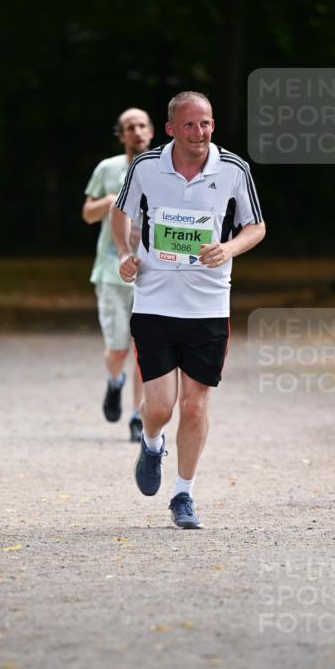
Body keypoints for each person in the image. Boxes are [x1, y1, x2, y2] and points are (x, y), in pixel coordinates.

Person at [110, 91, 266, 528]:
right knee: (159, 407)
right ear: (171, 129)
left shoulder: (233, 169)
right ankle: (153, 442)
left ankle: (183, 495)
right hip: (155, 300)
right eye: (191, 125)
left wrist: (229, 247)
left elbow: (257, 225)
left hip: (209, 304)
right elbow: (120, 212)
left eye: (206, 124)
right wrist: (125, 252)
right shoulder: (146, 167)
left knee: (195, 407)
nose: (200, 133)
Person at [82, 108, 154, 442]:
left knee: (145, 350)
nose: (137, 132)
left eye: (142, 125)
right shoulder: (108, 169)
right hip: (111, 273)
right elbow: (87, 213)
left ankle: (137, 417)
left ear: (152, 131)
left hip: (152, 274)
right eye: (130, 127)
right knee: (118, 350)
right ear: (121, 135)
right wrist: (113, 200)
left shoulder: (163, 168)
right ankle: (115, 382)